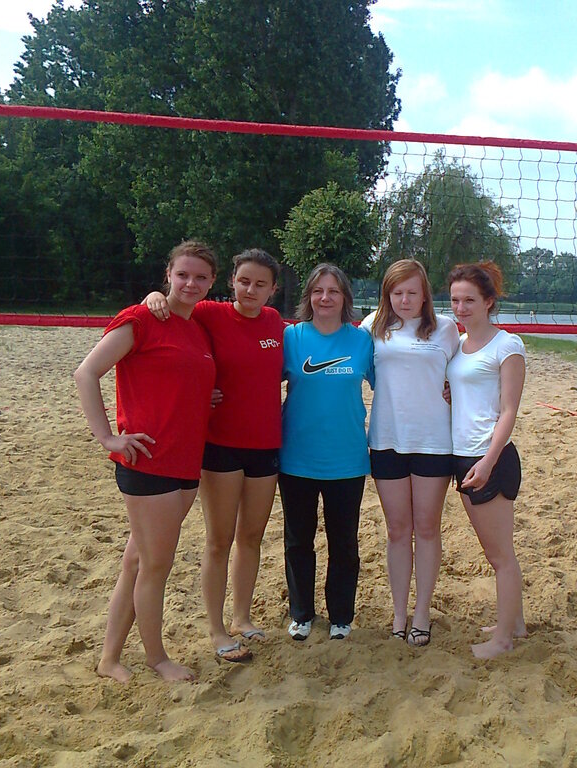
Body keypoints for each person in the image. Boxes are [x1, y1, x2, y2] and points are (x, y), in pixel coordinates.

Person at [74, 240, 217, 682]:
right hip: (148, 462)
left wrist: (204, 395)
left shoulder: (196, 328)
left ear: (212, 282)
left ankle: (109, 659)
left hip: (185, 462)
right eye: (183, 274)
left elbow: (177, 379)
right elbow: (86, 373)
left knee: (136, 564)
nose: (190, 283)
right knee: (156, 566)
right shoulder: (141, 318)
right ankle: (157, 658)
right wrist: (107, 437)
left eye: (200, 277)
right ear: (168, 274)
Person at [144, 248, 284, 663]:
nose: (250, 290)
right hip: (221, 444)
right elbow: (173, 309)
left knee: (252, 537)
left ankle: (242, 617)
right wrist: (154, 295)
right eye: (244, 281)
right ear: (231, 282)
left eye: (260, 284)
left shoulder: (275, 323)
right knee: (219, 539)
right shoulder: (210, 313)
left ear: (273, 290)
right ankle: (217, 628)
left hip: (266, 444)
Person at [360, 259, 459, 646]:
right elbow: (353, 368)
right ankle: (399, 613)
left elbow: (466, 373)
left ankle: (422, 613)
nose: (404, 299)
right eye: (397, 292)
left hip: (434, 442)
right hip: (387, 440)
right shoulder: (372, 326)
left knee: (427, 529)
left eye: (412, 292)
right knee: (398, 531)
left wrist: (451, 389)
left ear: (425, 295)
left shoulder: (446, 329)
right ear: (387, 295)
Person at [279, 263, 374, 642]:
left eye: (333, 291)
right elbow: (256, 378)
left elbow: (394, 383)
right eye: (318, 290)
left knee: (344, 542)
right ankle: (302, 613)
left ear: (345, 297)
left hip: (347, 458)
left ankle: (341, 616)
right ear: (309, 296)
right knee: (298, 540)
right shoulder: (292, 337)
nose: (325, 298)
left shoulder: (362, 341)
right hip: (297, 457)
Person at [446, 261, 528, 660]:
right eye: (455, 300)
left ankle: (504, 640)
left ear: (489, 302)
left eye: (469, 301)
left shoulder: (507, 345)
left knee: (500, 557)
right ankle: (515, 623)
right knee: (494, 551)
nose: (461, 308)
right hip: (462, 454)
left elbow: (509, 410)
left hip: (489, 457)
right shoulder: (459, 345)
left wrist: (489, 460)